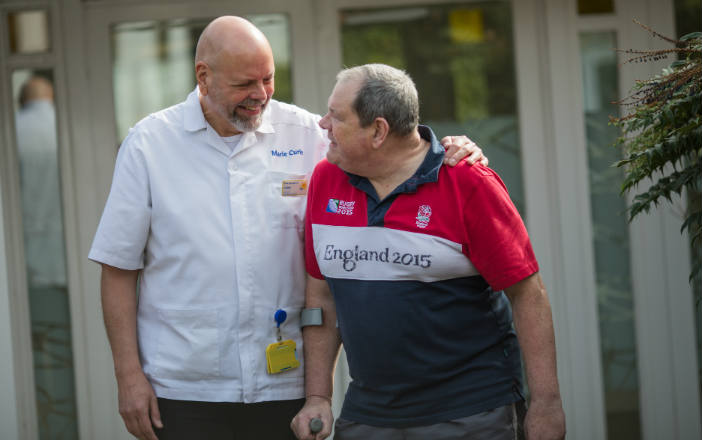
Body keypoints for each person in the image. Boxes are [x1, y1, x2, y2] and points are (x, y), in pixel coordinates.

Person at [88, 17, 485, 440]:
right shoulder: (149, 143)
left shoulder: (308, 134)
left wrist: (443, 151)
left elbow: (387, 155)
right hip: (184, 386)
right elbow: (118, 269)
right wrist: (128, 376)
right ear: (203, 77)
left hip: (285, 384)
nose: (259, 95)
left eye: (268, 79)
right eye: (245, 84)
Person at [291, 64, 566, 440]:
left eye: (336, 117)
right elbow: (321, 297)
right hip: (369, 413)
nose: (323, 124)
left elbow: (528, 295)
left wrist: (546, 403)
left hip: (471, 412)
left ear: (378, 131)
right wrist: (318, 396)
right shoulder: (326, 179)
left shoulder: (468, 183)